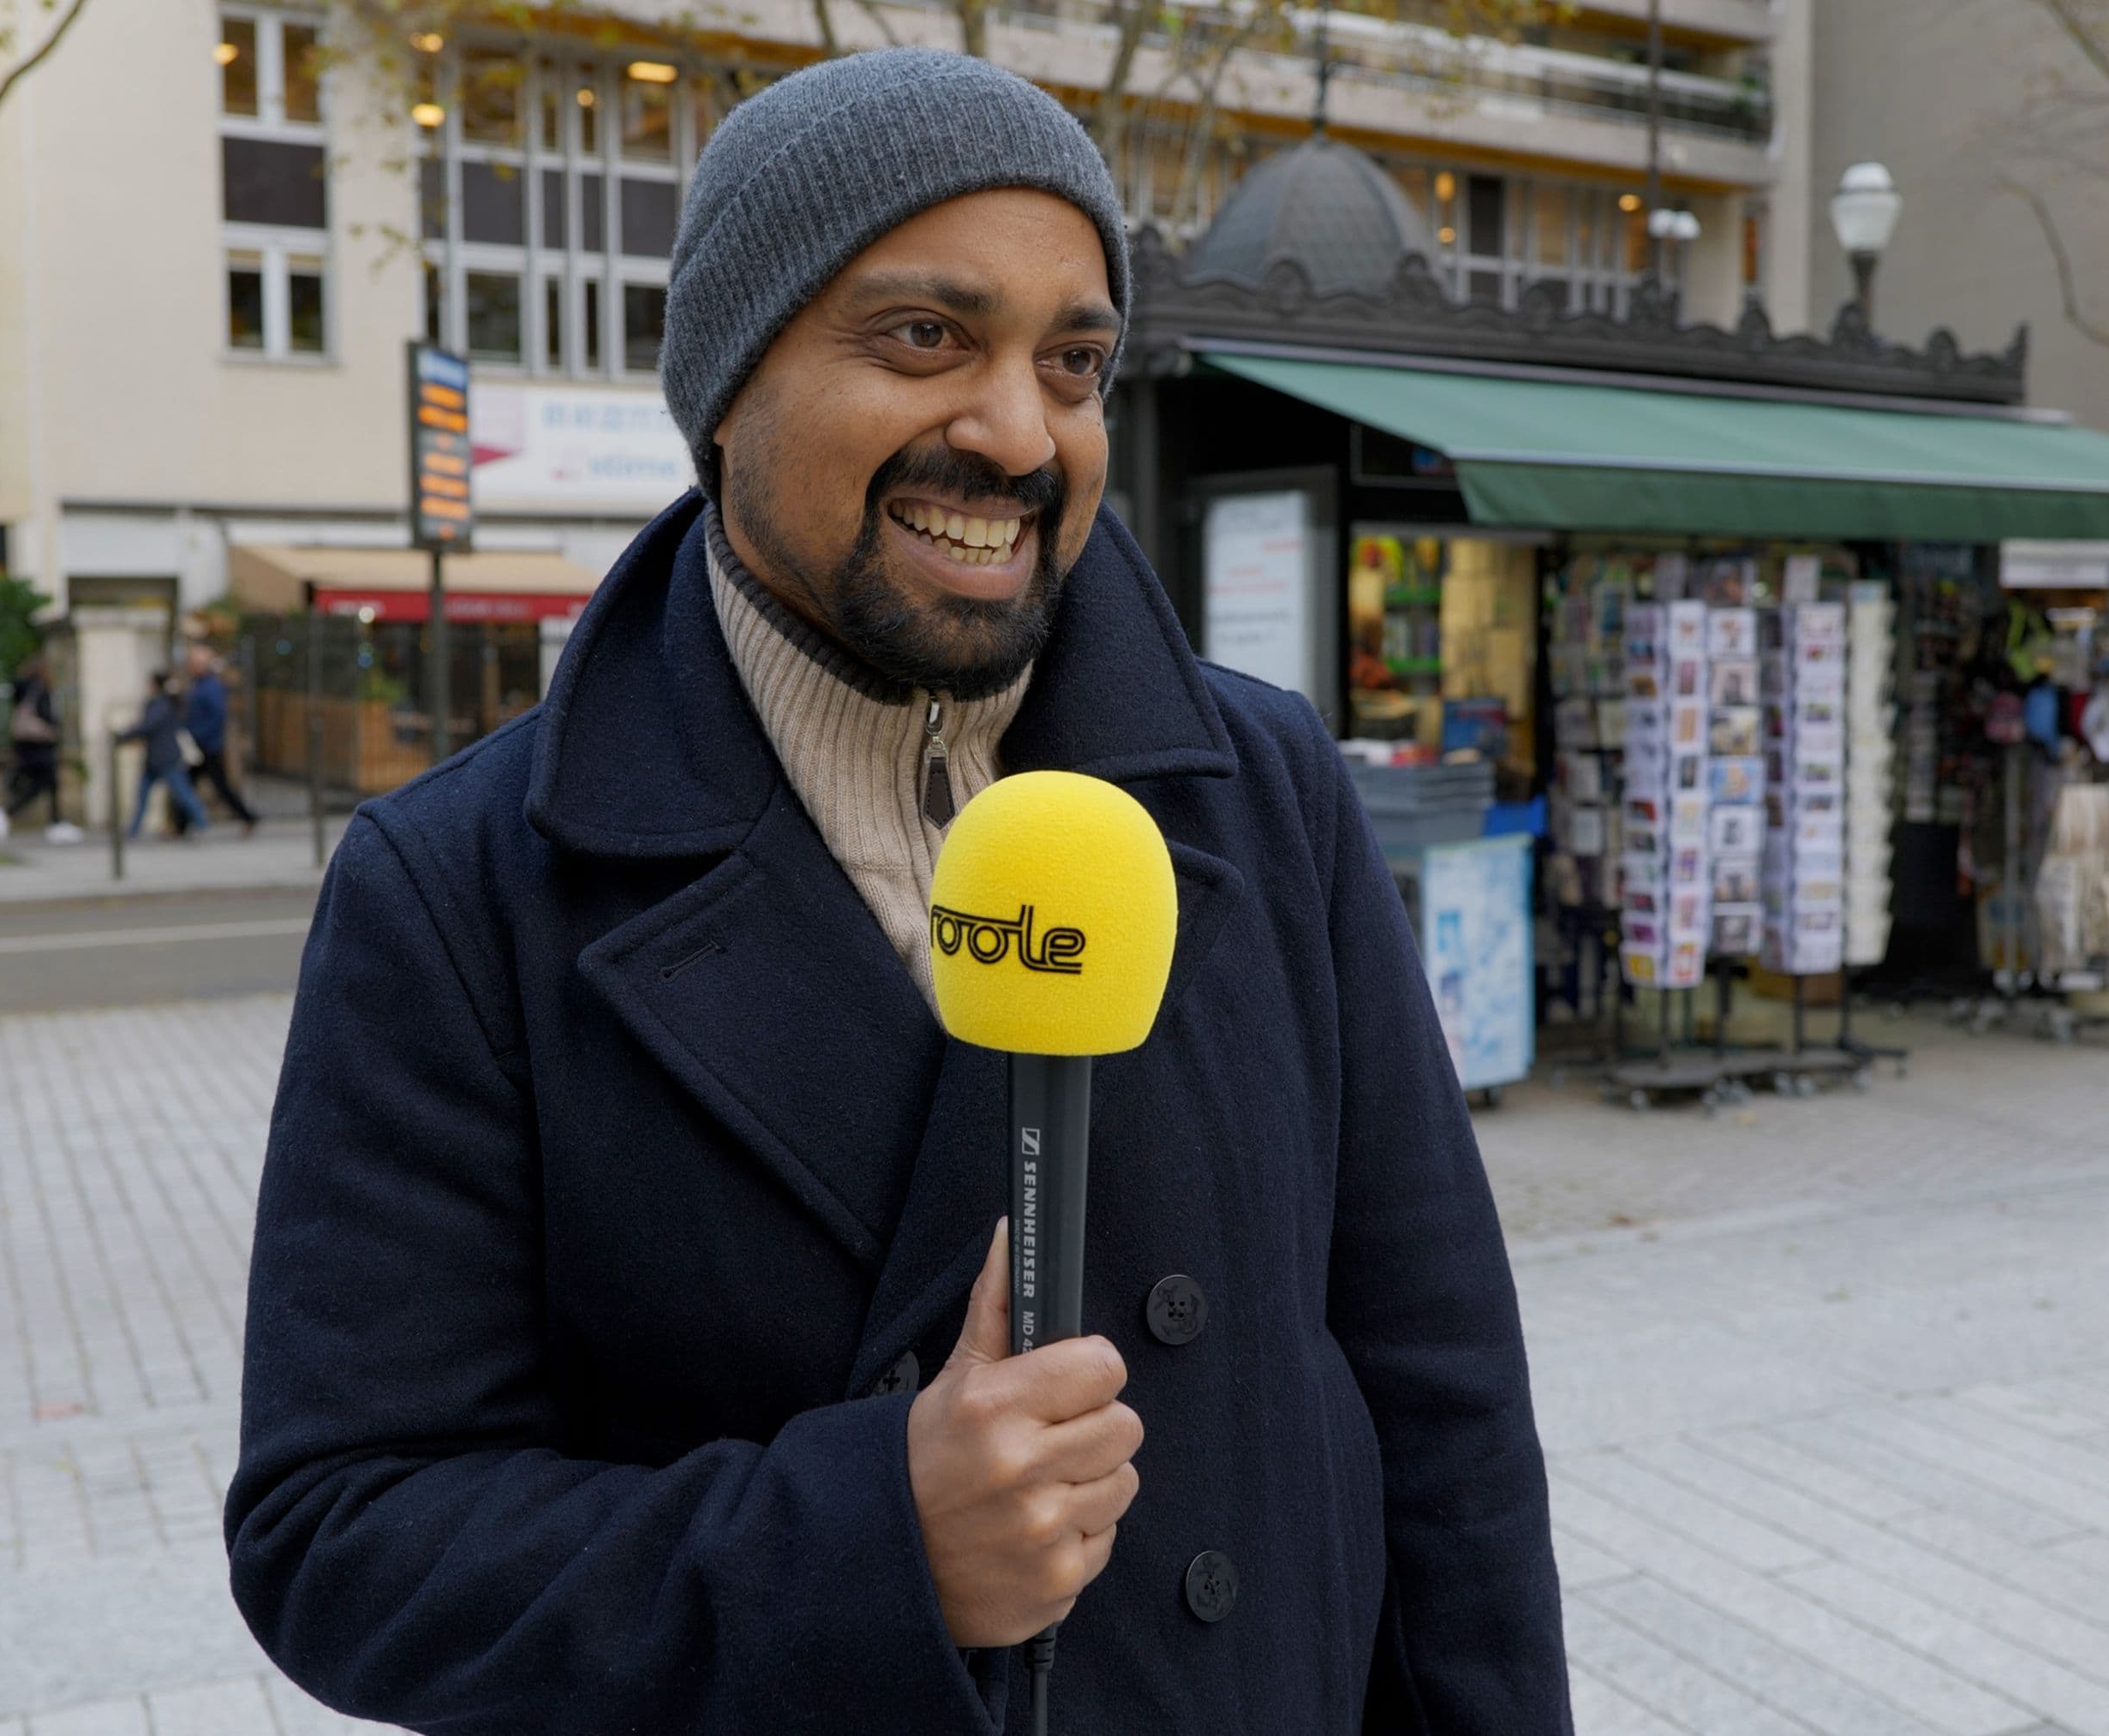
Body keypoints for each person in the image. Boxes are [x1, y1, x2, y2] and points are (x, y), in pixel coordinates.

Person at [225, 48, 1571, 1736]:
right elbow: (339, 1535)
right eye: (924, 337)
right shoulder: (458, 886)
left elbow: (1441, 1402)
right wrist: (868, 1539)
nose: (1016, 431)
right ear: (725, 383)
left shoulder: (1267, 789)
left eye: (1070, 362)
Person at [0, 653, 76, 844]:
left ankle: (55, 823)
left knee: (48, 785)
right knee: (42, 785)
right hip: (39, 748)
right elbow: (46, 717)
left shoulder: (22, 689)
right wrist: (54, 729)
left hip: (25, 747)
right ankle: (6, 813)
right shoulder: (39, 689)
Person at [179, 646, 260, 834]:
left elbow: (217, 715)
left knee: (216, 786)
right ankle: (180, 825)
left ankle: (247, 816)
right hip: (199, 744)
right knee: (188, 784)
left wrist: (199, 735)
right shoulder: (198, 684)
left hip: (207, 745)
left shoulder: (210, 686)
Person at [117, 671, 205, 840]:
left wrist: (123, 735)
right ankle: (133, 831)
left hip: (165, 758)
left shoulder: (161, 705)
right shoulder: (162, 704)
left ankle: (202, 822)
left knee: (182, 793)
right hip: (156, 758)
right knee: (143, 796)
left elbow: (146, 725)